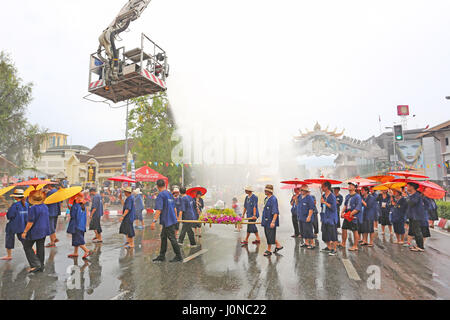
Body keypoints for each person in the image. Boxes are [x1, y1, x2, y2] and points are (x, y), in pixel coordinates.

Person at [151, 179, 183, 262]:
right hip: (170, 219)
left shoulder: (161, 195)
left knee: (172, 238)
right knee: (163, 236)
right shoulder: (169, 194)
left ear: (157, 186)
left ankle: (179, 256)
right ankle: (162, 255)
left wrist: (153, 222)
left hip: (167, 220)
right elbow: (175, 208)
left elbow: (158, 210)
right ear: (164, 185)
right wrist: (175, 218)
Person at [21, 190, 51, 273]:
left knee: (27, 246)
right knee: (40, 247)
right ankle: (41, 265)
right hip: (44, 229)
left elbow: (30, 222)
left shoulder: (33, 208)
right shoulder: (45, 206)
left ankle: (35, 264)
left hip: (36, 230)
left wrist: (25, 231)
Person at [1, 189, 28, 261]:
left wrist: (9, 210)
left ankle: (9, 255)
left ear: (16, 197)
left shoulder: (15, 205)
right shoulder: (26, 204)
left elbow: (9, 216)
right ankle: (32, 250)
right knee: (24, 240)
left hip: (13, 225)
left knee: (9, 239)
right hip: (23, 225)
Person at [67, 193, 91, 259]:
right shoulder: (82, 206)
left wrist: (70, 209)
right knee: (76, 240)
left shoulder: (75, 206)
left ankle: (87, 250)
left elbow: (73, 216)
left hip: (76, 226)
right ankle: (75, 252)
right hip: (81, 226)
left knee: (78, 240)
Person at [340, 182, 362, 251]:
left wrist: (351, 214)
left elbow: (358, 208)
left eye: (351, 185)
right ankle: (343, 243)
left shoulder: (357, 196)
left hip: (353, 215)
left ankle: (355, 246)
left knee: (355, 230)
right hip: (347, 215)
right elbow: (345, 205)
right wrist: (342, 212)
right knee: (344, 228)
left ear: (355, 188)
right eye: (349, 185)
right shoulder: (347, 196)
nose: (349, 186)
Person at [261, 185, 282, 256]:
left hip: (270, 220)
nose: (264, 191)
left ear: (269, 191)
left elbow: (275, 211)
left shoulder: (273, 199)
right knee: (268, 234)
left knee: (270, 234)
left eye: (266, 190)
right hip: (266, 220)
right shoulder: (266, 198)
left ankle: (269, 250)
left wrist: (273, 221)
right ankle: (278, 245)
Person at [405, 182, 425, 252]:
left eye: (408, 186)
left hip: (416, 216)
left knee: (417, 231)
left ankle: (420, 246)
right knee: (415, 231)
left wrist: (406, 196)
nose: (407, 188)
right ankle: (417, 245)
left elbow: (412, 203)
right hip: (412, 216)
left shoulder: (417, 195)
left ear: (412, 187)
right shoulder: (412, 195)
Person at [319, 182, 338, 256]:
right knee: (325, 233)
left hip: (331, 217)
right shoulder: (323, 195)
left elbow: (333, 208)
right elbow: (322, 206)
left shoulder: (332, 196)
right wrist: (322, 202)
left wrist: (325, 202)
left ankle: (334, 249)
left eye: (322, 186)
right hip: (324, 216)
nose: (321, 188)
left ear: (326, 187)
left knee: (332, 233)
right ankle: (329, 247)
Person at [297, 185, 315, 249]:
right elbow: (297, 204)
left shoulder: (309, 197)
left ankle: (312, 243)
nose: (301, 191)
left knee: (309, 230)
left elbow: (311, 208)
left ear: (306, 191)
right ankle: (306, 242)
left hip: (306, 217)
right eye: (300, 190)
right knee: (303, 230)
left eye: (302, 190)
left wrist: (309, 216)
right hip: (301, 216)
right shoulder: (299, 197)